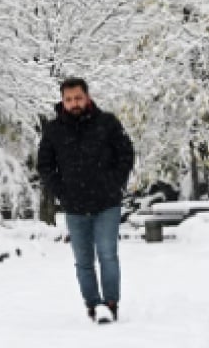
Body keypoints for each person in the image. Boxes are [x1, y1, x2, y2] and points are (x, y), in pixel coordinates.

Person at [37, 77, 135, 323]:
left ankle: (111, 303)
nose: (74, 103)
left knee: (107, 255)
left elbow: (126, 153)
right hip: (75, 206)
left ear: (87, 97)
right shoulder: (53, 130)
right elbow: (45, 166)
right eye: (68, 99)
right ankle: (93, 305)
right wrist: (62, 192)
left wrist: (114, 182)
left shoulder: (107, 123)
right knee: (83, 261)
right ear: (63, 101)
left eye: (78, 98)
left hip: (107, 203)